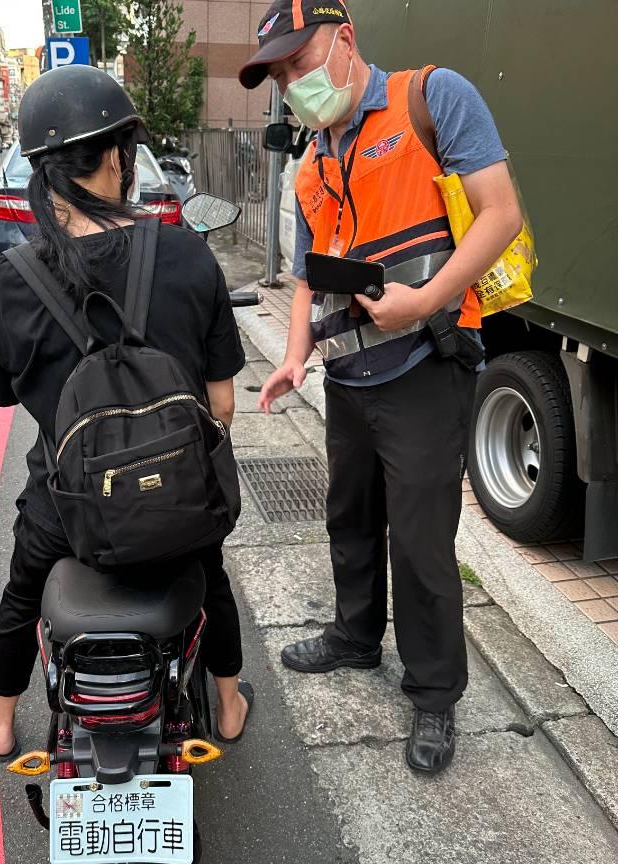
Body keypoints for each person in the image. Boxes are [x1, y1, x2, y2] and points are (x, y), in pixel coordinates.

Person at [239, 0, 522, 774]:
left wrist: (427, 301)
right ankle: (355, 637)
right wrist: (294, 358)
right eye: (280, 76)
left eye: (300, 63)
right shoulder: (312, 164)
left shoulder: (433, 98)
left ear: (345, 40)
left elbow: (500, 214)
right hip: (348, 375)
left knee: (423, 543)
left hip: (426, 365)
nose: (293, 84)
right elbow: (305, 283)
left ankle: (434, 695)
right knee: (350, 517)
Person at [0, 65, 253, 761]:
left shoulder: (7, 282)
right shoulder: (187, 253)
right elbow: (221, 405)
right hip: (178, 505)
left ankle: (1, 719)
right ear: (120, 157)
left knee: (22, 589)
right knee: (210, 577)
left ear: (40, 171)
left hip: (66, 510)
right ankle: (230, 700)